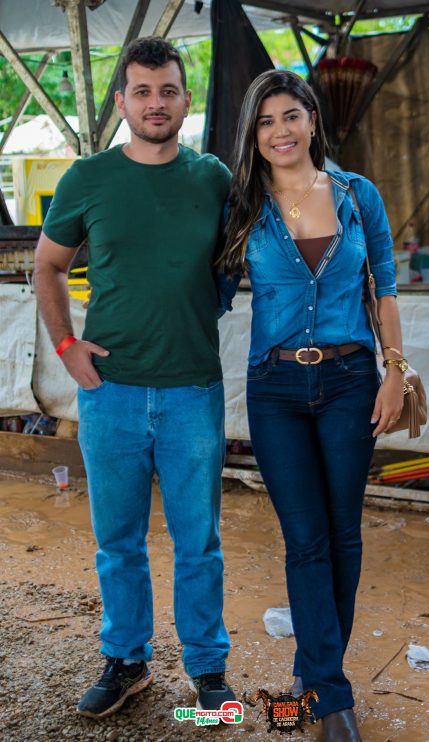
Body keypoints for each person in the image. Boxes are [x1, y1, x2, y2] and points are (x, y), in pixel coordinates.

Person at [34, 36, 235, 719]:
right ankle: (126, 660)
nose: (156, 102)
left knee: (197, 542)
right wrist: (67, 345)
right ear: (122, 100)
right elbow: (48, 265)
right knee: (117, 541)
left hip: (192, 392)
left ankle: (208, 671)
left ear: (185, 100)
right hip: (110, 392)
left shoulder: (213, 178)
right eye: (143, 91)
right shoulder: (87, 179)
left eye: (168, 90)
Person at [217, 70, 405, 741]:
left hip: (352, 380)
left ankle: (316, 678)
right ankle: (332, 697)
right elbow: (203, 286)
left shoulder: (357, 195)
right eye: (265, 122)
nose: (280, 132)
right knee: (306, 540)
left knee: (343, 534)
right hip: (275, 390)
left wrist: (394, 372)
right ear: (253, 133)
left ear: (312, 120)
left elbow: (383, 286)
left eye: (291, 116)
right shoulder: (241, 204)